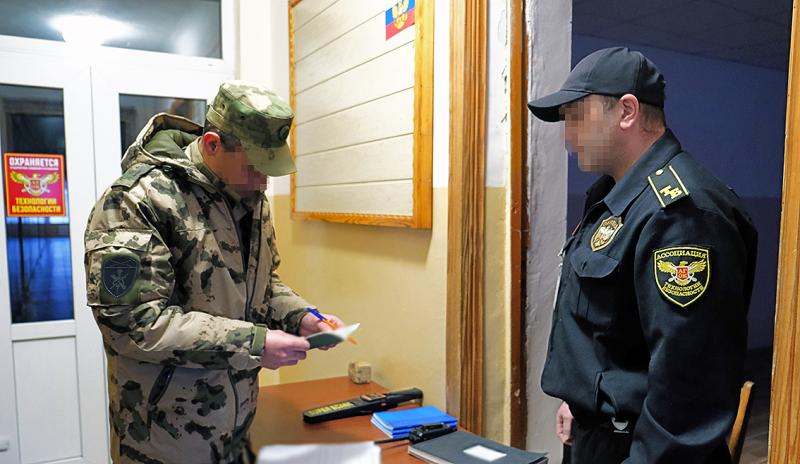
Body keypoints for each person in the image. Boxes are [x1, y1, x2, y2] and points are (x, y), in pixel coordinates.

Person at [84, 81, 345, 463]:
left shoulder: (249, 199)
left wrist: (301, 316)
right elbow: (134, 324)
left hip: (234, 430)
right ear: (211, 144)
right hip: (162, 440)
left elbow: (261, 284)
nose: (264, 181)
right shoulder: (134, 201)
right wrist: (253, 343)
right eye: (255, 166)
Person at [527, 47, 758, 463]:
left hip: (644, 450)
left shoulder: (682, 213)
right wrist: (581, 402)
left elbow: (689, 396)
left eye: (576, 116)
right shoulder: (615, 196)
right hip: (600, 436)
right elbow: (612, 332)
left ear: (627, 111)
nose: (568, 135)